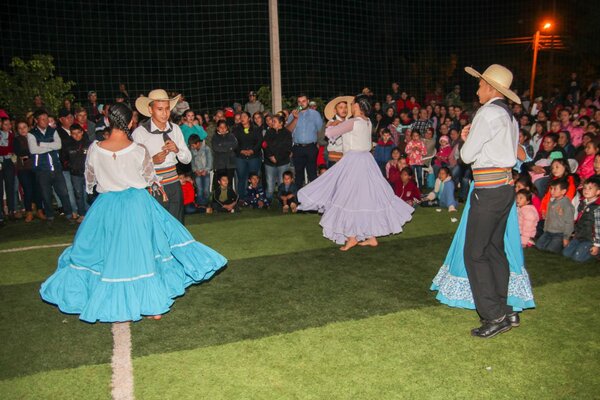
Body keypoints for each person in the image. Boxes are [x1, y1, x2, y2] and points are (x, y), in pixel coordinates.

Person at [39, 103, 227, 323]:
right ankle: (151, 305)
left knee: (109, 251)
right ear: (130, 123)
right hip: (137, 204)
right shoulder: (139, 150)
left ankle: (109, 300)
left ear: (109, 121)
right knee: (142, 251)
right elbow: (149, 179)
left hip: (107, 204)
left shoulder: (95, 148)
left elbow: (90, 184)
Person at [297, 94, 414, 251]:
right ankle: (371, 237)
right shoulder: (368, 122)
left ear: (358, 106)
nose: (351, 107)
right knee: (366, 198)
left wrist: (333, 124)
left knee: (349, 197)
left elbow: (329, 134)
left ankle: (352, 237)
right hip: (366, 160)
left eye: (353, 104)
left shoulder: (352, 122)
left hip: (354, 162)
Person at [458, 64, 524, 338]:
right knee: (494, 249)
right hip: (504, 188)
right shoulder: (508, 116)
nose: (477, 89)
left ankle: (495, 315)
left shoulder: (487, 113)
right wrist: (470, 138)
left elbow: (466, 155)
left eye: (481, 84)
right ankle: (505, 309)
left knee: (475, 253)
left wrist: (466, 140)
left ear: (491, 88)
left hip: (488, 190)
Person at [133, 89, 192, 223]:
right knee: (156, 224)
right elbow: (133, 165)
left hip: (173, 181)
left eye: (167, 109)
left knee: (177, 224)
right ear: (150, 110)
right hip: (152, 185)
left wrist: (177, 150)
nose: (165, 113)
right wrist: (152, 161)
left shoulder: (175, 129)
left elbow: (187, 159)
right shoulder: (140, 133)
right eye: (160, 109)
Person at [27, 109, 74, 224]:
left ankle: (69, 214)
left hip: (56, 167)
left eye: (46, 119)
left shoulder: (53, 131)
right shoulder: (31, 133)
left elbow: (58, 145)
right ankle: (50, 216)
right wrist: (50, 146)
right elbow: (33, 150)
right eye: (42, 119)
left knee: (63, 192)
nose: (45, 121)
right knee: (46, 195)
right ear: (36, 120)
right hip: (42, 170)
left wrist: (42, 144)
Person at [286, 94, 323, 187]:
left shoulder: (315, 114)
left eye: (304, 101)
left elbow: (321, 130)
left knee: (312, 174)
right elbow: (288, 130)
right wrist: (295, 118)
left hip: (311, 147)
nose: (301, 103)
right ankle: (299, 199)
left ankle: (314, 198)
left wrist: (317, 143)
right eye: (299, 102)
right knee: (298, 175)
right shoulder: (293, 114)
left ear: (308, 101)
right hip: (297, 148)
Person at [563, 177, 600, 262]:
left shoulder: (597, 207)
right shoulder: (582, 202)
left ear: (598, 192)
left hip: (590, 239)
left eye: (590, 188)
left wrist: (597, 245)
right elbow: (578, 220)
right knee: (566, 254)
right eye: (585, 188)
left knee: (578, 258)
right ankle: (581, 248)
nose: (586, 190)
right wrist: (573, 233)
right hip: (579, 236)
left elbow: (598, 227)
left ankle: (595, 254)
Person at [536, 179, 575, 253]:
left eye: (555, 189)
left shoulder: (567, 205)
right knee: (539, 246)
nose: (552, 191)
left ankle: (561, 245)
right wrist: (545, 229)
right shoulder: (551, 202)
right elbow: (548, 218)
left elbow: (569, 222)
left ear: (563, 191)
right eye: (551, 188)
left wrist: (566, 237)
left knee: (551, 250)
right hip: (548, 232)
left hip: (559, 234)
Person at [14, 120, 43, 222]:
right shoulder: (17, 140)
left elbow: (40, 149)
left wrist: (31, 153)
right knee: (28, 190)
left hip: (36, 167)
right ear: (17, 130)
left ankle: (40, 210)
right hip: (23, 169)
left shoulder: (34, 137)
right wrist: (33, 152)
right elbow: (19, 152)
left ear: (28, 127)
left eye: (24, 127)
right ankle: (29, 212)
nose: (22, 130)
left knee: (38, 189)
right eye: (20, 128)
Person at [62, 124, 90, 223]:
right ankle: (82, 214)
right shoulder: (67, 145)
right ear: (71, 134)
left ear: (82, 132)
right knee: (78, 194)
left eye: (78, 133)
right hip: (75, 174)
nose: (76, 136)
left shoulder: (88, 143)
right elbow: (63, 158)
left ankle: (89, 213)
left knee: (88, 193)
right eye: (74, 134)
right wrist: (70, 166)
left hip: (87, 173)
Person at [232, 112, 262, 199]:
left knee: (254, 178)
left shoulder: (256, 129)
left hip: (254, 157)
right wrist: (241, 151)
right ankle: (241, 198)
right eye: (241, 116)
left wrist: (252, 150)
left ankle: (255, 197)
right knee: (241, 178)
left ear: (249, 118)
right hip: (240, 157)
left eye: (244, 116)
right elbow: (234, 143)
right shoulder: (236, 130)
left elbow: (259, 142)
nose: (242, 118)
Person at [263, 114, 292, 201]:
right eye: (272, 121)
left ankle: (282, 201)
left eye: (274, 121)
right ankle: (269, 201)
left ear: (281, 123)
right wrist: (270, 156)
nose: (272, 123)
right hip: (269, 162)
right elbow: (264, 145)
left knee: (282, 183)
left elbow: (287, 148)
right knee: (270, 183)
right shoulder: (269, 132)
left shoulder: (287, 133)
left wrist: (277, 158)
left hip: (283, 162)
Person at [324, 96, 353, 167]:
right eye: (340, 107)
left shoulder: (350, 122)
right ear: (335, 110)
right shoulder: (331, 122)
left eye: (346, 107)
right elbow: (327, 134)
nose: (344, 109)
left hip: (347, 156)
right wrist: (335, 124)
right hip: (334, 157)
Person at [211, 120, 237, 189]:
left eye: (224, 127)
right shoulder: (215, 137)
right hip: (219, 164)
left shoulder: (231, 136)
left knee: (229, 182)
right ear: (217, 128)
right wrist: (228, 147)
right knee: (219, 183)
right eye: (220, 127)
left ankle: (229, 198)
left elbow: (235, 145)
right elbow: (216, 148)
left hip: (230, 164)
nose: (222, 129)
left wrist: (222, 145)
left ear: (227, 128)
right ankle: (219, 199)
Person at [188, 134, 212, 207]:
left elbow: (210, 160)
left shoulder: (206, 149)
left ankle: (207, 203)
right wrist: (195, 170)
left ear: (198, 143)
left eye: (193, 145)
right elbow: (192, 161)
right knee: (199, 189)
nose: (192, 147)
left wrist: (206, 170)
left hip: (206, 172)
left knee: (206, 189)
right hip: (197, 172)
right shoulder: (192, 150)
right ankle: (200, 204)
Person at [0, 117, 16, 224]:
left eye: (9, 124)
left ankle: (11, 211)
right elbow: (4, 149)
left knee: (10, 187)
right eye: (5, 124)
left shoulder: (12, 135)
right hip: (1, 162)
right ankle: (1, 213)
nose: (7, 126)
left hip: (9, 163)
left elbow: (11, 149)